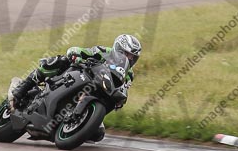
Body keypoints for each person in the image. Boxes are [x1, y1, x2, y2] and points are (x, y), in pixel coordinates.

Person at [10, 34, 142, 110]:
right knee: (61, 60)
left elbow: (124, 89)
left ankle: (79, 120)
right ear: (118, 48)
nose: (129, 59)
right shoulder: (104, 52)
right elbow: (80, 51)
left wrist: (121, 100)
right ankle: (22, 88)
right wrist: (76, 55)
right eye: (126, 54)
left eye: (132, 57)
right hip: (80, 75)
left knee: (98, 134)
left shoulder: (129, 75)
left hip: (98, 92)